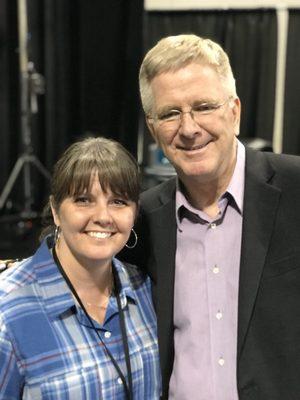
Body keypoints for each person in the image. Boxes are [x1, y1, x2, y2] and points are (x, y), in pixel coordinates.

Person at [120, 34, 300, 399]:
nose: (189, 129)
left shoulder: (295, 189)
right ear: (153, 128)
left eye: (203, 107)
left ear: (234, 111)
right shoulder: (142, 220)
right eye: (170, 113)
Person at [0, 137, 161, 399]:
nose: (102, 216)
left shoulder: (145, 290)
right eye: (84, 200)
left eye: (118, 201)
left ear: (135, 212)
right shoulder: (8, 310)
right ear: (55, 210)